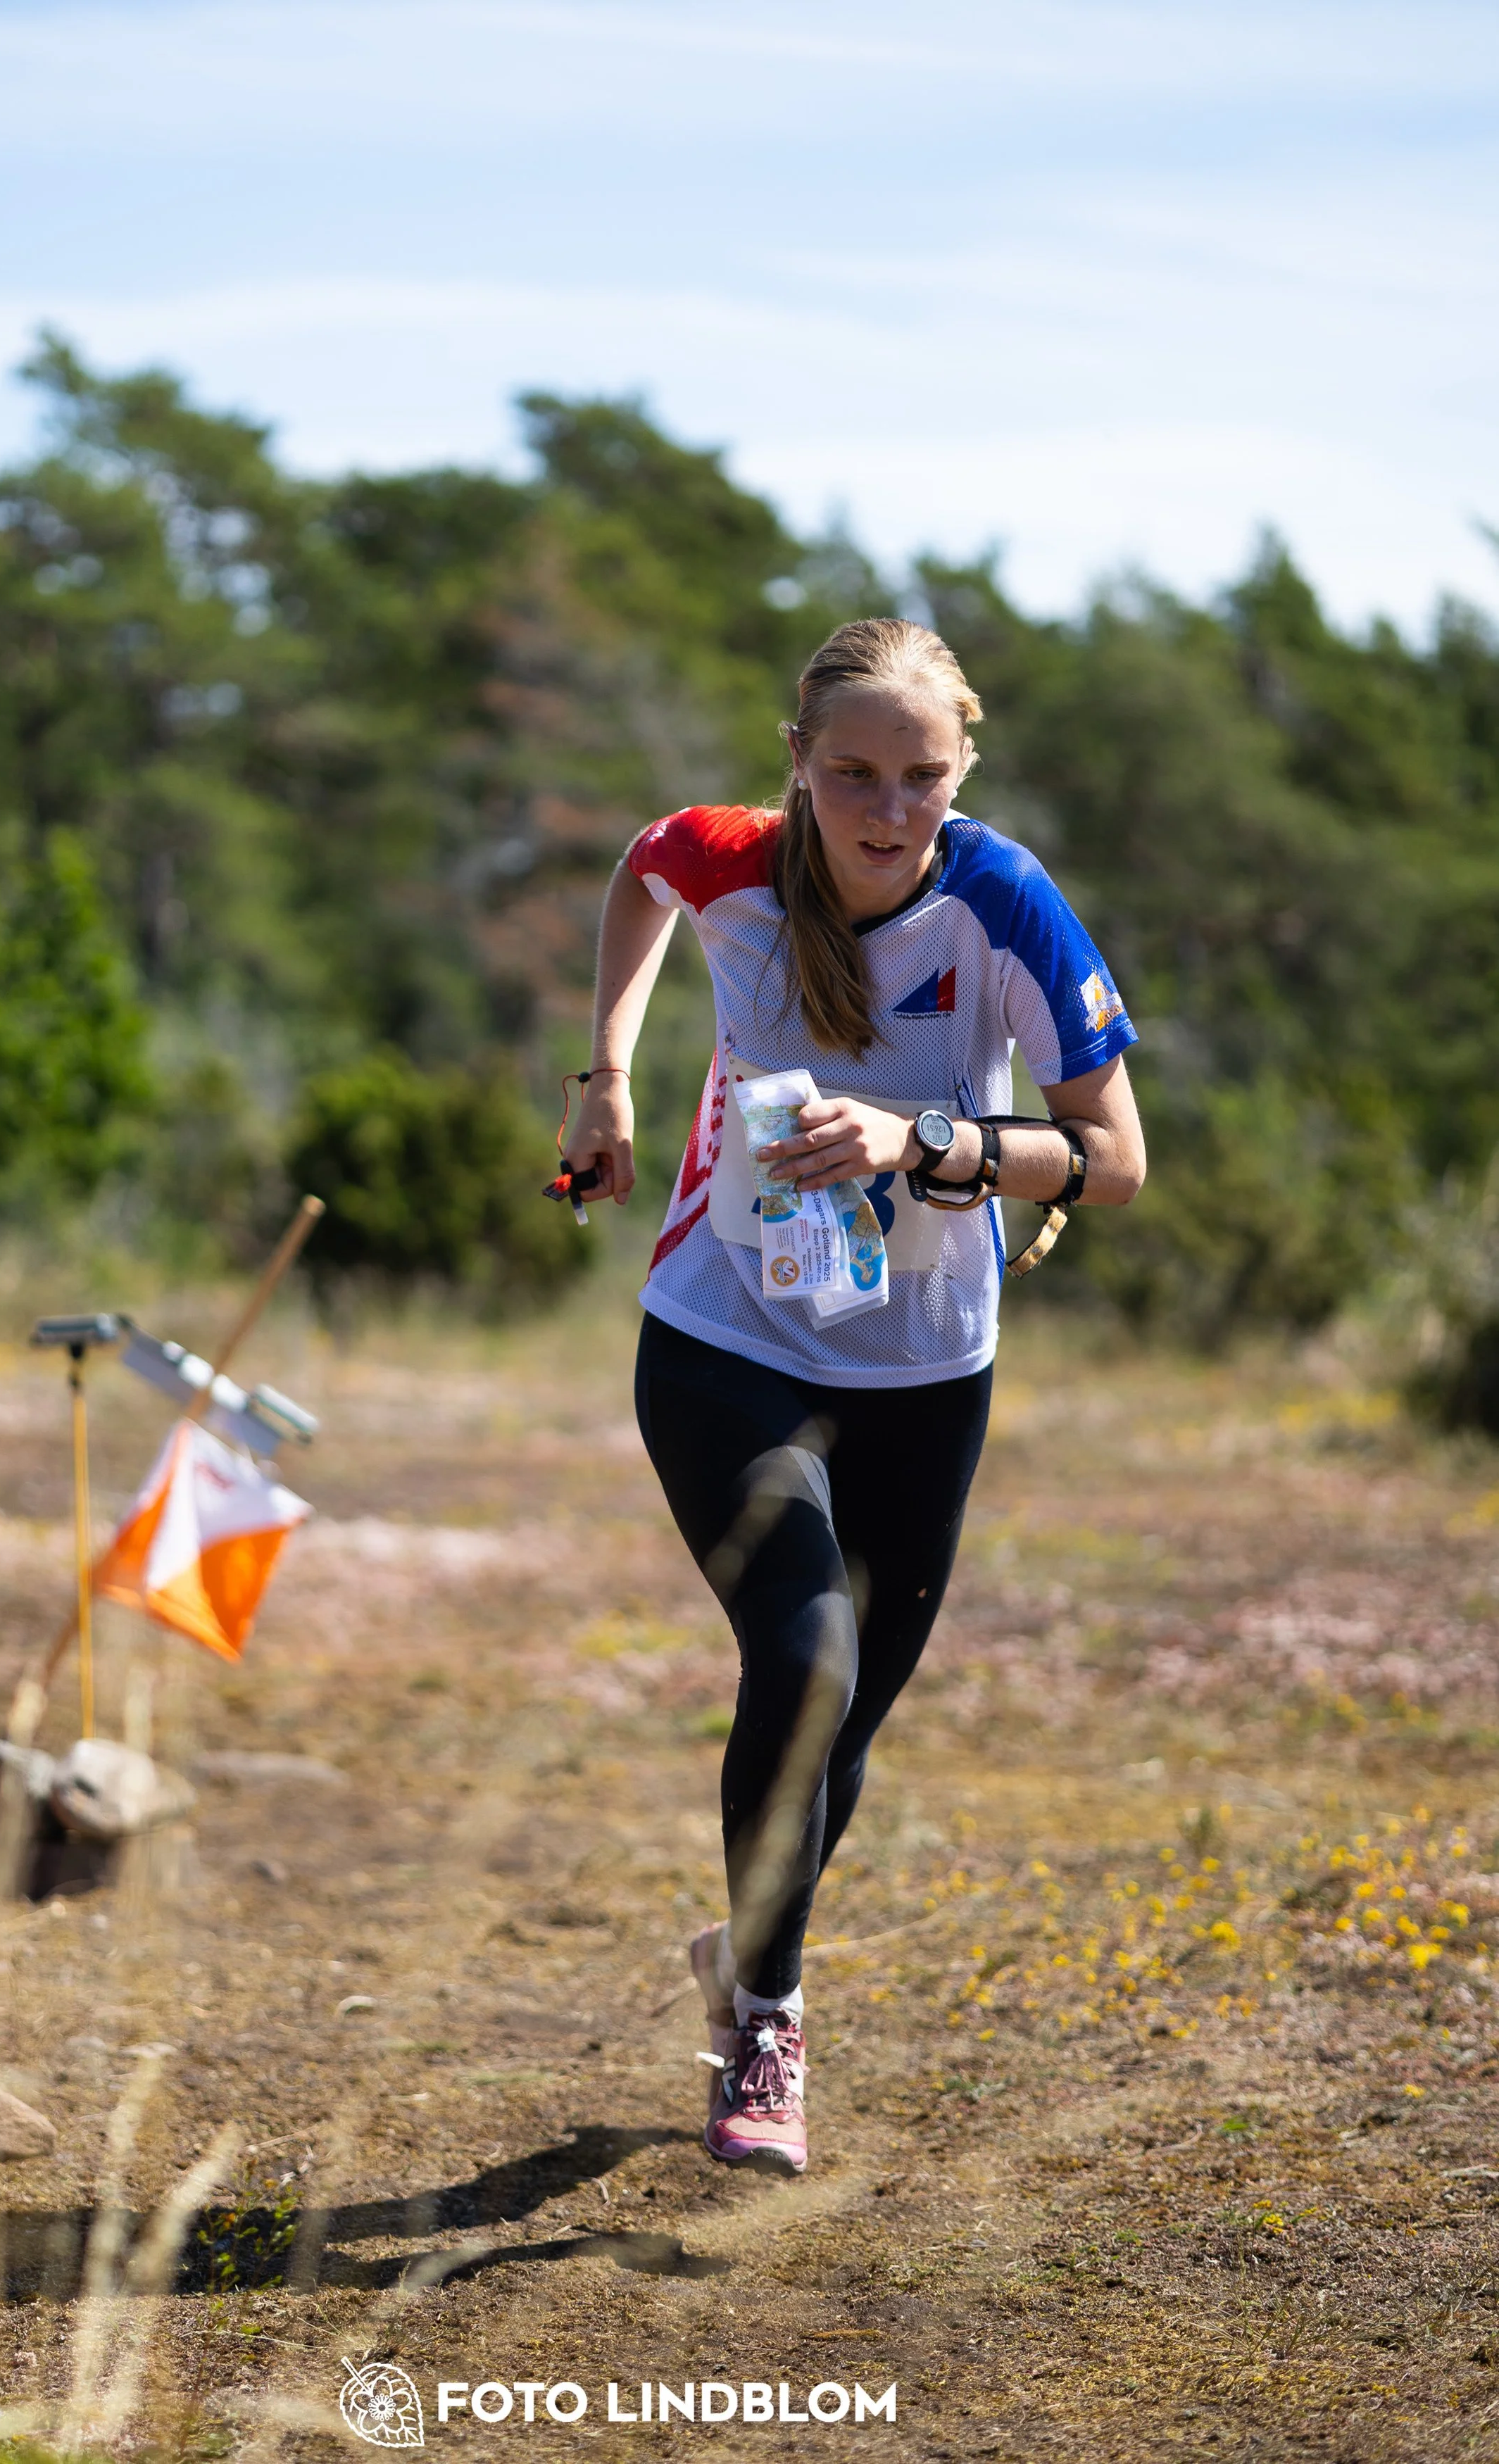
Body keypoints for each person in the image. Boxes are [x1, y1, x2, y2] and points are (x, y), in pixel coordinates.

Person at [563, 617, 1145, 2174]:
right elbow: (639, 870)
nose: (888, 811)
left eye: (922, 777)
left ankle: (743, 1945)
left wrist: (921, 1141)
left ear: (961, 770)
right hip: (723, 1337)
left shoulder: (1002, 901)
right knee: (804, 1656)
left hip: (924, 1365)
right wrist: (606, 1079)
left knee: (842, 1734)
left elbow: (1115, 1161)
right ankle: (766, 2017)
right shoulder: (735, 863)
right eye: (853, 775)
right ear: (799, 764)